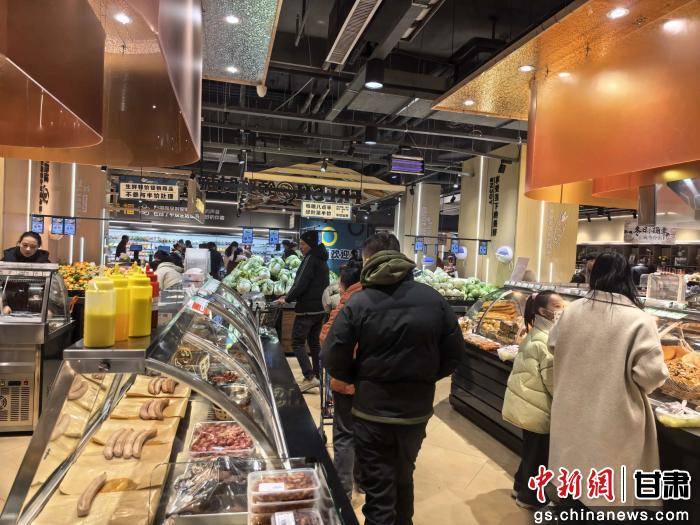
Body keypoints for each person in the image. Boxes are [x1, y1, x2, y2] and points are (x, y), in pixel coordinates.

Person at [322, 233, 463, 525]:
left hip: (371, 412)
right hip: (415, 412)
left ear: (367, 260)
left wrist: (358, 378)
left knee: (379, 490)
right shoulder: (433, 299)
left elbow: (332, 356)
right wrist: (425, 377)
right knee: (403, 477)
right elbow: (454, 355)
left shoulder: (359, 302)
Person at [548, 252, 668, 510]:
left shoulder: (572, 310)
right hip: (613, 418)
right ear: (627, 277)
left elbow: (553, 345)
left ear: (594, 275)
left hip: (570, 410)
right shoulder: (639, 319)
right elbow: (652, 375)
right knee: (608, 491)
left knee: (574, 480)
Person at [502, 290, 565, 510]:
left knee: (531, 451)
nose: (563, 310)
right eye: (557, 306)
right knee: (539, 456)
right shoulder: (547, 341)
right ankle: (530, 498)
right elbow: (552, 380)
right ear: (542, 311)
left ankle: (519, 486)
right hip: (538, 407)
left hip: (528, 403)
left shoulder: (535, 333)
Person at [319, 265, 363, 499]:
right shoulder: (379, 300)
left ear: (344, 284)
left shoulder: (346, 305)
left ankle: (343, 489)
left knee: (345, 433)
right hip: (373, 383)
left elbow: (326, 338)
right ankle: (363, 482)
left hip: (346, 380)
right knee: (365, 431)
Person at [277, 230, 329, 392]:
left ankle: (309, 377)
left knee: (297, 342)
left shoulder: (310, 259)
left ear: (311, 244)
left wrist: (287, 298)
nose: (300, 247)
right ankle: (318, 375)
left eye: (303, 244)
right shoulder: (321, 259)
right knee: (314, 343)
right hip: (319, 309)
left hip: (307, 309)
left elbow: (300, 283)